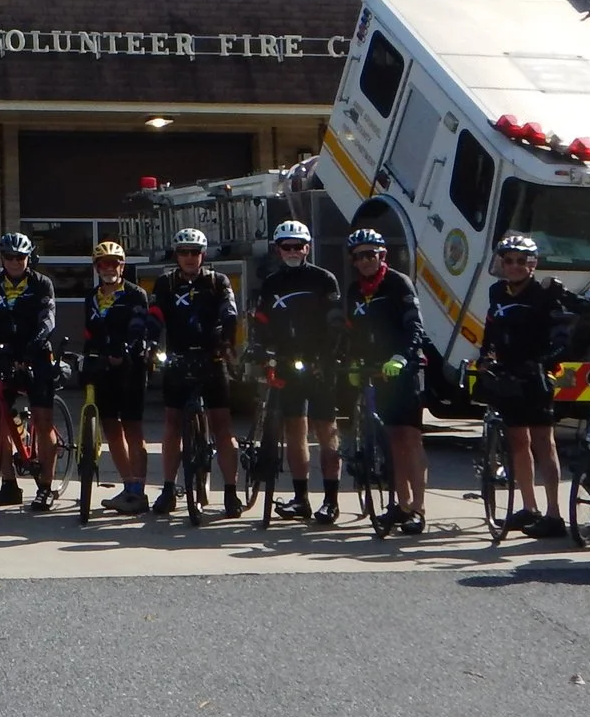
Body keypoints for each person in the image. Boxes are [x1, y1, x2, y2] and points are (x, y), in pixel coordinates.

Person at [478, 232, 581, 540]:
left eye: (521, 261)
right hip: (507, 375)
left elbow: (563, 339)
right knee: (517, 442)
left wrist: (542, 363)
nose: (514, 266)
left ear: (532, 264)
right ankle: (529, 507)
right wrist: (486, 355)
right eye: (508, 260)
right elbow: (492, 329)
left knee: (543, 443)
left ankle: (554, 514)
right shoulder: (497, 291)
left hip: (535, 376)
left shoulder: (544, 294)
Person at [339, 228, 430, 535]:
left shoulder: (398, 283)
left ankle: (418, 507)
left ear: (382, 255)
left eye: (371, 254)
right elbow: (352, 332)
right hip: (374, 370)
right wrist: (352, 361)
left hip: (403, 367)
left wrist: (402, 357)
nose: (366, 260)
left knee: (409, 438)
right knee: (391, 440)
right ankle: (401, 504)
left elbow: (415, 327)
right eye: (359, 256)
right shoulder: (354, 290)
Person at [250, 219, 341, 524]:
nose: (292, 251)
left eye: (297, 246)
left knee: (326, 430)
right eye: (286, 246)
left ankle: (331, 501)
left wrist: (326, 357)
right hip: (287, 362)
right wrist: (260, 347)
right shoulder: (272, 283)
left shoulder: (324, 279)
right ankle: (301, 499)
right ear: (278, 250)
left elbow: (335, 322)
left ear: (307, 248)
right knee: (294, 429)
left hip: (319, 363)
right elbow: (261, 321)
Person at [149, 228, 240, 517]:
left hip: (212, 358)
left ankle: (230, 492)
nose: (189, 257)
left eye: (195, 252)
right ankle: (168, 489)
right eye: (183, 252)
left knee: (222, 426)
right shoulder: (165, 283)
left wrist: (228, 337)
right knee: (172, 424)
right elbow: (155, 316)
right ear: (176, 255)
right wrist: (149, 341)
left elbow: (229, 311)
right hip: (178, 359)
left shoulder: (217, 281)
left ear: (203, 254)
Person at [0, 231, 59, 508]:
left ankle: (46, 486)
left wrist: (33, 348)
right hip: (4, 355)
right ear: (2, 258)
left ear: (29, 257)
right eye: (9, 257)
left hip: (36, 353)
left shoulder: (41, 284)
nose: (14, 262)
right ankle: (8, 484)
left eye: (20, 257)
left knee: (43, 421)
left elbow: (47, 320)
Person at [80, 240, 154, 513]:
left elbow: (138, 326)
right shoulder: (91, 297)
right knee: (110, 427)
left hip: (130, 367)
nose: (109, 268)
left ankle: (139, 493)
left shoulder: (135, 294)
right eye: (103, 263)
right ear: (96, 267)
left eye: (114, 263)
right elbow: (90, 332)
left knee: (133, 429)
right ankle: (128, 485)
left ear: (122, 266)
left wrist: (125, 350)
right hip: (103, 368)